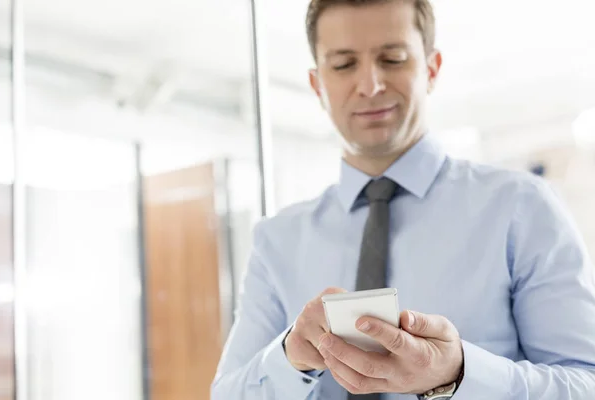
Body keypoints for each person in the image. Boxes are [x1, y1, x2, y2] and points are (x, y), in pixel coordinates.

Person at [210, 0, 595, 399]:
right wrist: (289, 358)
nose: (370, 85)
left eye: (392, 59)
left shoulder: (521, 208)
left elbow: (587, 383)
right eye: (343, 65)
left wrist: (460, 374)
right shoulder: (277, 239)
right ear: (317, 85)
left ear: (431, 68)